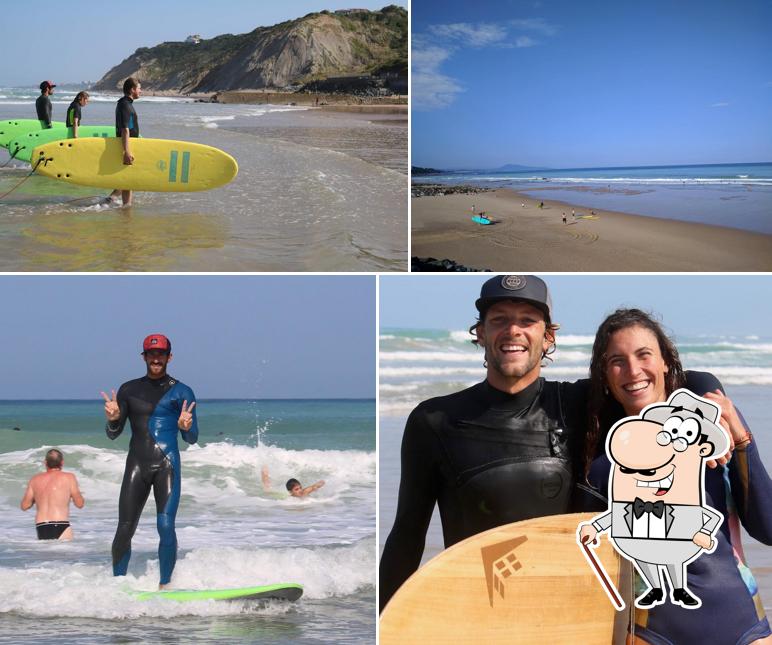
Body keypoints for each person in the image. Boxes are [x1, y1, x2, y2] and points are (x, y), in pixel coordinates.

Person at [379, 275, 588, 611]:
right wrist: (384, 624)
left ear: (548, 337)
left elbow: (658, 378)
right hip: (475, 615)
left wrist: (705, 394)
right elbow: (407, 535)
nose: (513, 331)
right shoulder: (435, 419)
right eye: (499, 320)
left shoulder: (579, 404)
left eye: (527, 321)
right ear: (481, 333)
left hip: (565, 615)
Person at [580, 309, 772, 645]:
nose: (633, 370)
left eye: (644, 355)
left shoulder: (716, 431)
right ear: (605, 376)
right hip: (650, 633)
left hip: (742, 627)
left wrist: (741, 439)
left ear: (666, 361)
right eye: (617, 361)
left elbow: (768, 527)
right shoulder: (603, 464)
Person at [101, 333, 198, 590]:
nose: (156, 358)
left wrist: (185, 427)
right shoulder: (128, 389)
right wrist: (112, 419)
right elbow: (113, 434)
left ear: (169, 357)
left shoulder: (182, 392)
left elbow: (193, 438)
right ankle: (118, 587)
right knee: (124, 528)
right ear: (144, 357)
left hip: (167, 464)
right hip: (137, 464)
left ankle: (165, 586)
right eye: (151, 354)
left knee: (165, 525)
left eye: (161, 354)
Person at [20, 448, 84, 540]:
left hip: (41, 526)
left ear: (45, 463)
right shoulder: (69, 477)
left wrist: (37, 498)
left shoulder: (35, 479)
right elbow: (80, 504)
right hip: (61, 523)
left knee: (46, 554)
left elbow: (24, 506)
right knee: (65, 554)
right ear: (62, 463)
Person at [108, 77, 142, 206]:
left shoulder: (125, 103)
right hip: (127, 146)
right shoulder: (125, 105)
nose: (141, 91)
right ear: (132, 89)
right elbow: (125, 129)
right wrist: (127, 151)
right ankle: (120, 204)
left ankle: (121, 205)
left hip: (129, 144)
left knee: (128, 181)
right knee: (128, 180)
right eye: (139, 88)